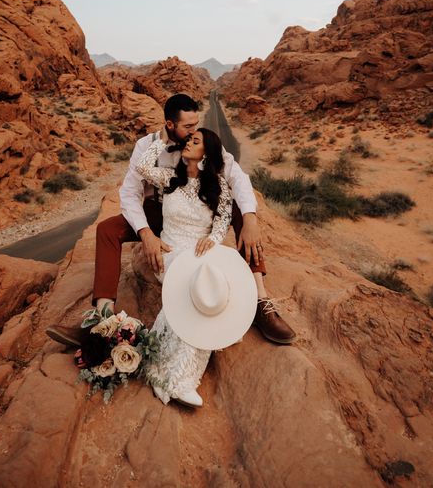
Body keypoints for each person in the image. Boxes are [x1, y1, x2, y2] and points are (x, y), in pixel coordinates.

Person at [46, 94, 295, 347]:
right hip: (157, 214)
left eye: (195, 124)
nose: (193, 131)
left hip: (193, 215)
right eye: (187, 127)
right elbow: (130, 194)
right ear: (169, 125)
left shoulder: (202, 142)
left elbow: (237, 177)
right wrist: (146, 234)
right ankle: (102, 320)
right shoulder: (146, 146)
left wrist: (251, 219)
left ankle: (261, 303)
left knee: (242, 211)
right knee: (107, 229)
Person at [136, 125, 252, 407]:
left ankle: (179, 377)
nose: (188, 143)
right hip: (171, 252)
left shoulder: (218, 185)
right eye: (188, 139)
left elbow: (223, 220)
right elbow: (142, 166)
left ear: (206, 152)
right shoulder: (169, 179)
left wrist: (212, 239)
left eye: (195, 141)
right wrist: (160, 141)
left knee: (208, 292)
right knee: (189, 287)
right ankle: (178, 379)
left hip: (201, 251)